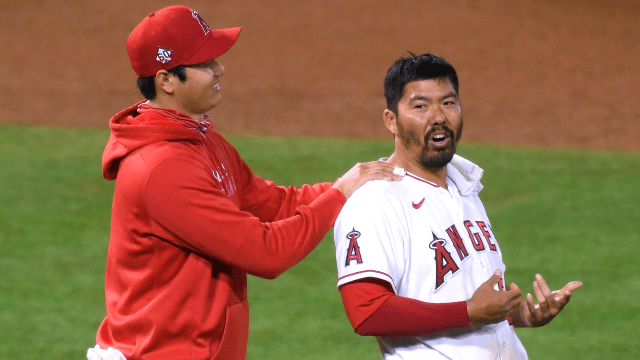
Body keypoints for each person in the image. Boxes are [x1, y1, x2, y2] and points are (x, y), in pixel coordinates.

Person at [87, 5, 404, 360]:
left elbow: (277, 204)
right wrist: (341, 193)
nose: (219, 68)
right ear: (166, 81)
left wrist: (358, 182)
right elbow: (266, 253)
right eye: (205, 63)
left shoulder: (202, 140)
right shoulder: (161, 169)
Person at [333, 53, 583, 359]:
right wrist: (468, 313)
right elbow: (367, 310)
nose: (438, 117)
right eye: (421, 106)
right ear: (391, 121)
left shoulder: (463, 187)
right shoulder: (374, 201)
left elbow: (470, 298)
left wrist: (523, 314)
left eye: (448, 103)